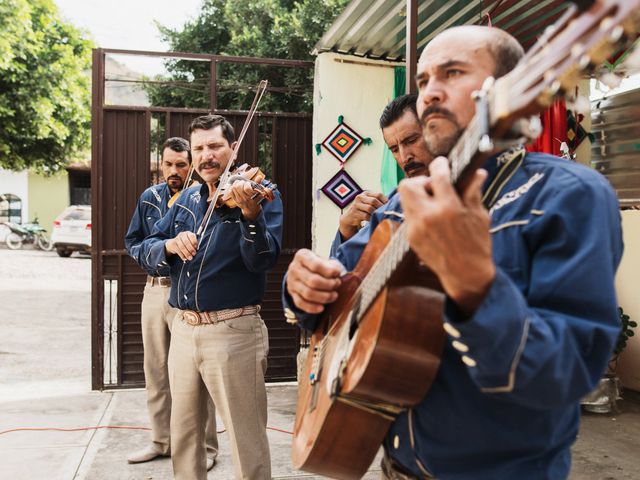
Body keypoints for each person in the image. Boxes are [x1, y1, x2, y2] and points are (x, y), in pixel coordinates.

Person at [283, 25, 623, 479]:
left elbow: (568, 372)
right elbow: (336, 296)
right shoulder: (408, 199)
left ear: (510, 87)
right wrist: (301, 287)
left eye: (452, 73)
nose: (429, 94)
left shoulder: (569, 194)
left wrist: (474, 284)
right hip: (394, 468)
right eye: (423, 81)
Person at [140, 114, 282, 479]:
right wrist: (169, 245)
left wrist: (250, 215)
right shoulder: (186, 199)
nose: (206, 156)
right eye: (199, 148)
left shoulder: (262, 194)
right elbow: (145, 245)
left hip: (233, 329)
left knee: (244, 439)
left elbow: (262, 260)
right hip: (183, 330)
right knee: (186, 436)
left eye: (215, 146)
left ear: (232, 149)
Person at [124, 137, 219, 470]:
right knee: (156, 371)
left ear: (191, 164)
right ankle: (161, 440)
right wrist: (157, 251)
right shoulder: (149, 198)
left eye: (181, 164)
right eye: (169, 164)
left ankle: (206, 447)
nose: (174, 170)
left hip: (184, 294)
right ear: (160, 164)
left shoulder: (202, 198)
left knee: (195, 373)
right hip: (153, 291)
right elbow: (134, 242)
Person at [332, 94, 432, 252]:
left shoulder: (470, 181)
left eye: (411, 141)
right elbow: (343, 269)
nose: (404, 157)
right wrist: (346, 229)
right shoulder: (392, 203)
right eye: (394, 149)